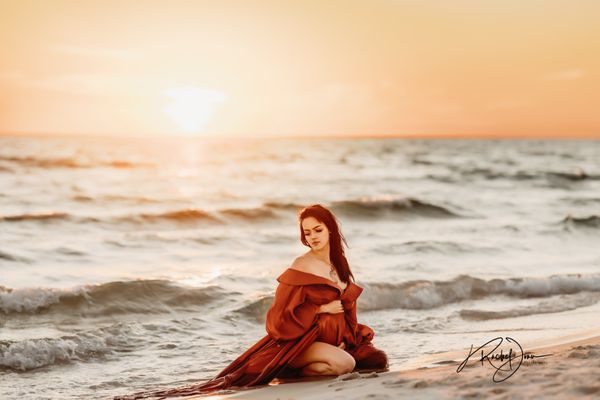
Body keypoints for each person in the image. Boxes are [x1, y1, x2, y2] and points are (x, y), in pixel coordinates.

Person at [114, 204, 387, 399]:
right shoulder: (301, 265)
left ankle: (293, 374)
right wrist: (320, 308)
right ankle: (289, 365)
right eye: (307, 233)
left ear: (330, 229)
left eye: (317, 230)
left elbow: (348, 308)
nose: (312, 237)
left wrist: (346, 337)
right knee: (346, 366)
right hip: (298, 342)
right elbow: (277, 319)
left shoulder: (339, 265)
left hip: (327, 342)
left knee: (371, 360)